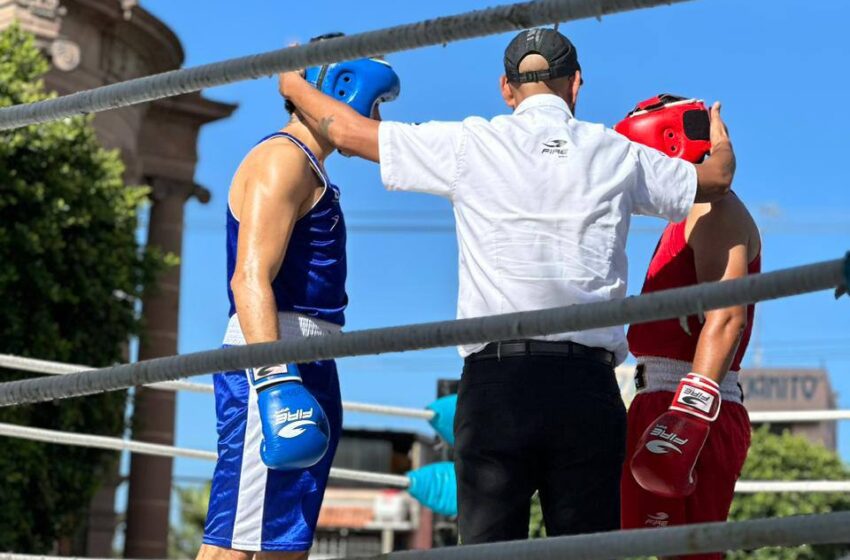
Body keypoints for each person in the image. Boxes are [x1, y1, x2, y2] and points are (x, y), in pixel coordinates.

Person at [278, 28, 736, 543]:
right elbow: (715, 179)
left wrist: (292, 80)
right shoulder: (617, 153)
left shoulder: (470, 142)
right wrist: (717, 135)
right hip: (587, 386)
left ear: (506, 87)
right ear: (576, 84)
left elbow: (345, 131)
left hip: (496, 385)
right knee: (588, 555)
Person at [198, 36, 400, 560]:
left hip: (308, 360)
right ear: (343, 87)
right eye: (375, 101)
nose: (375, 116)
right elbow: (248, 279)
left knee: (282, 545)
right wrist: (273, 380)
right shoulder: (281, 160)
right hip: (273, 359)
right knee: (234, 547)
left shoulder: (310, 165)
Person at [616, 95, 759, 560]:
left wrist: (689, 417)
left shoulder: (716, 211)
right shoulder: (686, 216)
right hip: (658, 401)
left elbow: (727, 316)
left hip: (689, 408)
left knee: (689, 556)